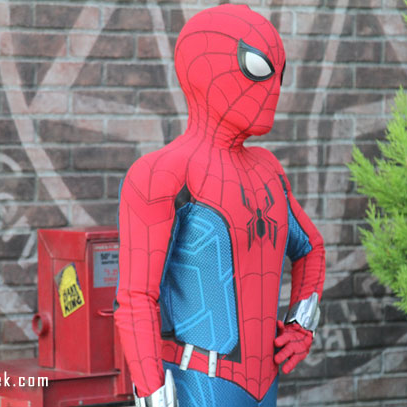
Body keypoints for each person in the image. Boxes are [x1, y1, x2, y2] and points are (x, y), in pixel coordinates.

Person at [114, 4, 326, 406]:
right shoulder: (163, 172)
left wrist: (302, 324)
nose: (275, 87)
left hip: (265, 384)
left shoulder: (269, 170)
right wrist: (152, 394)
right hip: (196, 381)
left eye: (281, 72)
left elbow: (311, 248)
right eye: (259, 67)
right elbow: (136, 298)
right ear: (203, 66)